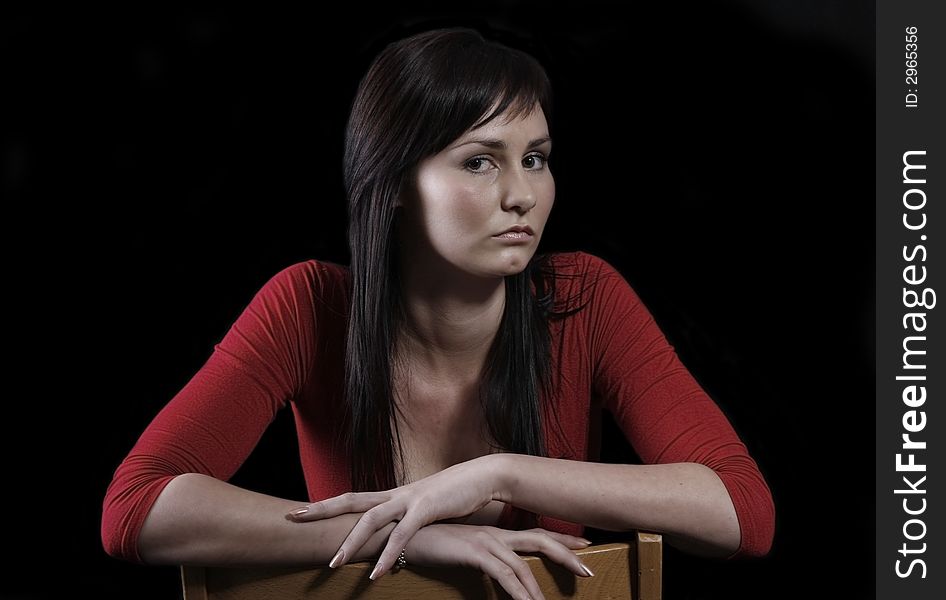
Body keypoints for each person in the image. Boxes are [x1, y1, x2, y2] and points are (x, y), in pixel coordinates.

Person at [101, 26, 775, 600]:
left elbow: (742, 514)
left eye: (535, 159)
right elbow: (136, 509)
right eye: (481, 161)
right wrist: (415, 537)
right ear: (394, 184)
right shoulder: (309, 307)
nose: (522, 196)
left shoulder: (582, 299)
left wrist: (501, 472)